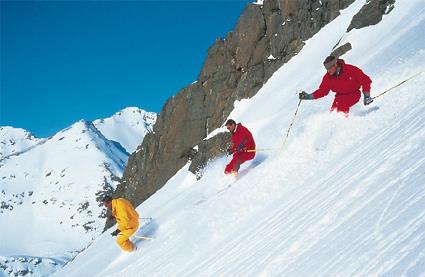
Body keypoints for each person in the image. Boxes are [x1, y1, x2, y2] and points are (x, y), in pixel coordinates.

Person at [299, 55, 373, 114]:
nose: (328, 71)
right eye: (326, 69)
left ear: (335, 65)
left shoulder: (350, 69)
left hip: (354, 94)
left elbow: (365, 80)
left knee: (340, 110)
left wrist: (367, 96)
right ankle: (335, 129)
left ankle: (345, 126)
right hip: (339, 97)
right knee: (334, 114)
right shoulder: (327, 78)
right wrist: (308, 96)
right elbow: (322, 91)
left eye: (330, 68)